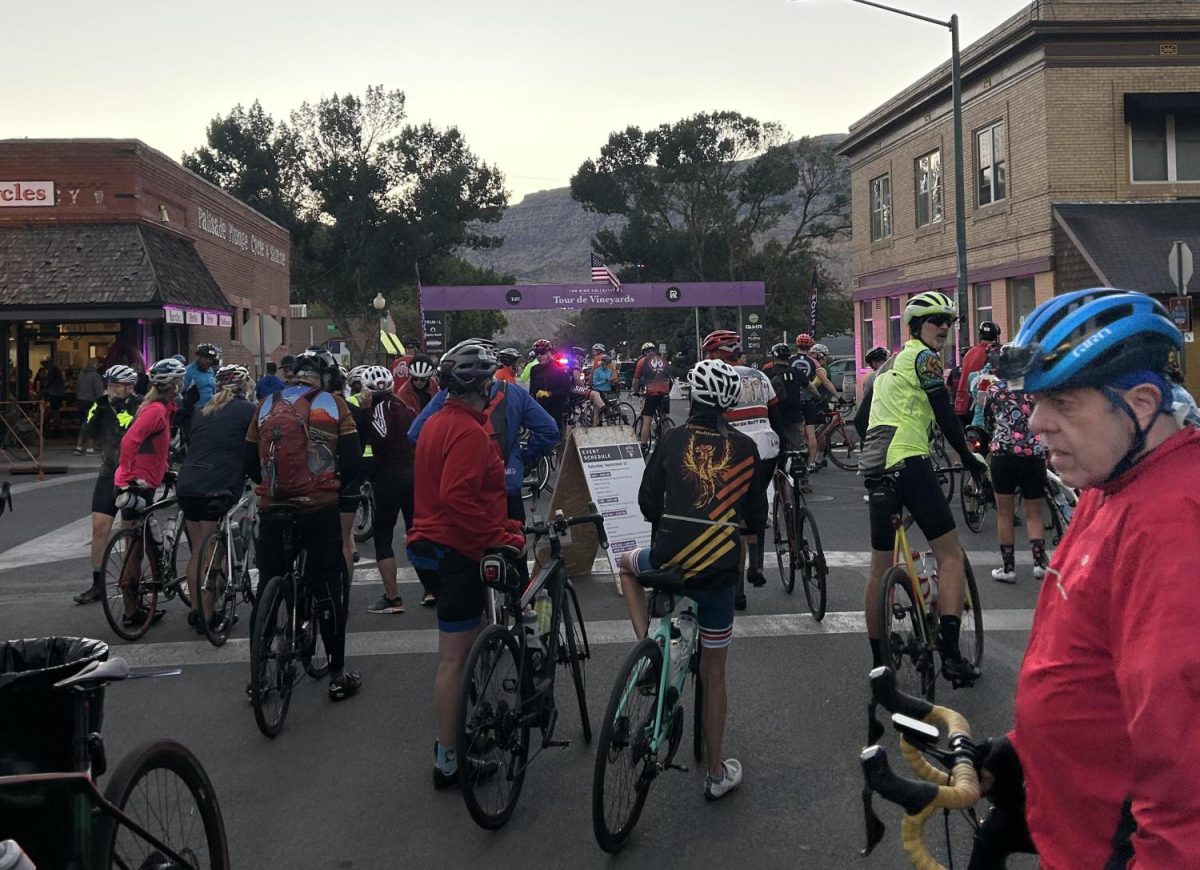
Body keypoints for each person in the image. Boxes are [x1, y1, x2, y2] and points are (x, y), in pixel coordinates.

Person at [968, 288, 1200, 869]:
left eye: (1064, 403)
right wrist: (1023, 755)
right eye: (1037, 401)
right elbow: (1088, 661)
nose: (1037, 423)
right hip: (1073, 830)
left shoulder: (1176, 525)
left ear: (1143, 403)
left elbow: (1184, 775)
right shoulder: (1112, 480)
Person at [617, 358, 766, 800]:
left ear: (693, 398)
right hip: (719, 572)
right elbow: (756, 517)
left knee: (625, 567)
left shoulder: (670, 438)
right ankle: (717, 772)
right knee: (714, 672)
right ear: (731, 402)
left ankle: (648, 644)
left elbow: (647, 503)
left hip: (666, 558)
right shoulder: (745, 449)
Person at [405, 343, 526, 787]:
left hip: (432, 546)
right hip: (456, 550)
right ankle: (449, 759)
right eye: (491, 380)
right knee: (454, 662)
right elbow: (458, 498)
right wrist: (501, 536)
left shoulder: (436, 422)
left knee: (455, 657)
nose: (496, 386)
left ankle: (452, 747)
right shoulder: (470, 433)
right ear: (481, 387)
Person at [855, 291, 987, 686]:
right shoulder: (925, 358)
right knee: (949, 554)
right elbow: (945, 413)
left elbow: (862, 420)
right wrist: (967, 459)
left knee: (880, 568)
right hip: (910, 463)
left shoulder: (887, 367)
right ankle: (950, 654)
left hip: (877, 467)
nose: (943, 327)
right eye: (934, 321)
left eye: (947, 320)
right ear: (916, 327)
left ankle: (880, 663)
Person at [244, 345, 363, 701]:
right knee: (328, 588)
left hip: (273, 508)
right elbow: (354, 460)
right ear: (325, 378)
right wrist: (337, 484)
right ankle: (338, 675)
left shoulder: (265, 405)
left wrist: (269, 488)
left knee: (269, 582)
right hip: (318, 507)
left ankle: (256, 680)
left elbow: (249, 462)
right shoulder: (333, 404)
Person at [411, 337, 559, 527]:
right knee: (514, 545)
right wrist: (524, 457)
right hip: (507, 485)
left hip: (461, 495)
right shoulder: (514, 393)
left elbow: (416, 433)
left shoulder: (448, 395)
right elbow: (550, 431)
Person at [175, 364, 256, 631]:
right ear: (244, 386)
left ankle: (197, 610)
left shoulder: (202, 410)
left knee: (198, 549)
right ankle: (209, 616)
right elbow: (254, 449)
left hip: (187, 482)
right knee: (212, 552)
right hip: (218, 484)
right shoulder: (247, 411)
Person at [702, 330, 779, 607]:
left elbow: (709, 420)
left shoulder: (716, 377)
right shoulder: (759, 375)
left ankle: (737, 591)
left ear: (717, 355)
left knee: (732, 516)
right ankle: (756, 565)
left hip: (736, 450)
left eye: (709, 354)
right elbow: (774, 409)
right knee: (755, 506)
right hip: (768, 447)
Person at [112, 358, 188, 628]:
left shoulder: (160, 408)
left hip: (143, 479)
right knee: (137, 547)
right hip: (138, 483)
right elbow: (130, 441)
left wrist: (164, 468)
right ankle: (132, 610)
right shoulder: (155, 411)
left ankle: (137, 604)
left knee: (139, 541)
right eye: (180, 381)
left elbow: (152, 447)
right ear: (174, 385)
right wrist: (131, 476)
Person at [72, 365, 141, 605]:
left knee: (131, 530)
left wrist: (117, 407)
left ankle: (133, 582)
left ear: (129, 387)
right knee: (99, 526)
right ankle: (97, 583)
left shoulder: (139, 405)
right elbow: (88, 428)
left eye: (116, 386)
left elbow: (129, 427)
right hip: (109, 471)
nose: (111, 390)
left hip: (134, 474)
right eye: (109, 385)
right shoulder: (102, 404)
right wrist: (97, 407)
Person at [979, 368, 1048, 583]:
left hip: (1003, 454)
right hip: (1033, 454)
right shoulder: (1036, 389)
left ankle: (1008, 568)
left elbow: (988, 419)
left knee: (1004, 514)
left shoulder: (995, 390)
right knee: (1034, 513)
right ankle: (1039, 564)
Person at [362, 365, 415, 614]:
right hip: (413, 475)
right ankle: (432, 588)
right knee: (419, 533)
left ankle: (393, 598)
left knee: (383, 537)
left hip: (387, 478)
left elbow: (380, 439)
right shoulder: (405, 408)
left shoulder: (376, 410)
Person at [765, 342, 816, 458]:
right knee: (798, 447)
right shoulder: (796, 371)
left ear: (774, 357)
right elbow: (811, 388)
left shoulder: (769, 372)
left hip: (775, 415)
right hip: (795, 415)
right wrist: (817, 397)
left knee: (775, 447)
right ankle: (801, 468)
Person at [788, 335, 830, 473]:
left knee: (796, 430)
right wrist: (836, 396)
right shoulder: (813, 362)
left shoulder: (790, 361)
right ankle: (812, 463)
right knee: (811, 433)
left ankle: (795, 457)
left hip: (793, 401)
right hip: (808, 401)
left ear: (797, 344)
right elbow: (823, 382)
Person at [955, 320, 1000, 427]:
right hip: (979, 406)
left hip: (962, 404)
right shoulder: (994, 353)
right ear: (995, 336)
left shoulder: (970, 352)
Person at [527, 339, 572, 435]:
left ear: (549, 353)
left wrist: (550, 393)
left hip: (557, 407)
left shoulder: (560, 368)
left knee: (556, 436)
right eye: (537, 354)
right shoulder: (534, 369)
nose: (539, 356)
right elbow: (532, 390)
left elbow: (566, 389)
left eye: (542, 353)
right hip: (540, 408)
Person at [632, 341, 671, 448]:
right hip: (665, 392)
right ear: (654, 351)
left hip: (652, 392)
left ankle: (644, 445)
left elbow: (636, 379)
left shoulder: (642, 361)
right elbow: (669, 377)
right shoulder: (664, 360)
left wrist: (635, 391)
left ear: (644, 352)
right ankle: (665, 424)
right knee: (665, 414)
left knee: (647, 420)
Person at [74, 360, 105, 454]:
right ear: (94, 365)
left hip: (81, 401)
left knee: (84, 423)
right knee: (91, 423)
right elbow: (98, 390)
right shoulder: (95, 375)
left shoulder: (81, 375)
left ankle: (79, 446)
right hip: (91, 401)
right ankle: (89, 447)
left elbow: (77, 387)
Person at [183, 343, 220, 410]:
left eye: (210, 358)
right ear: (199, 356)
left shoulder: (210, 371)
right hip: (194, 411)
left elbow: (213, 390)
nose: (208, 361)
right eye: (205, 357)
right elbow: (181, 393)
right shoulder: (188, 371)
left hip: (210, 409)